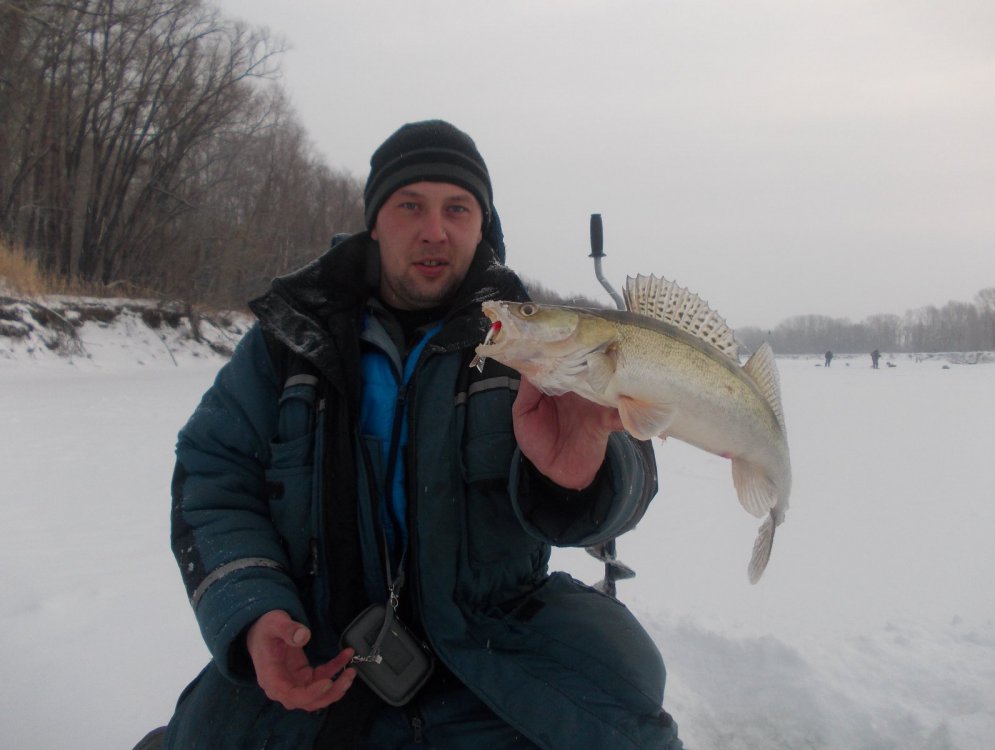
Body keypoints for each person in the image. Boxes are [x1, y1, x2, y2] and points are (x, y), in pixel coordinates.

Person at [160, 120, 683, 749]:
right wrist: (253, 613)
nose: (435, 230)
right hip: (320, 656)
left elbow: (631, 473)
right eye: (411, 205)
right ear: (375, 222)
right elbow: (212, 475)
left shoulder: (542, 339)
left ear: (481, 225)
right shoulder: (290, 341)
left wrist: (585, 477)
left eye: (457, 209)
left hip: (499, 650)